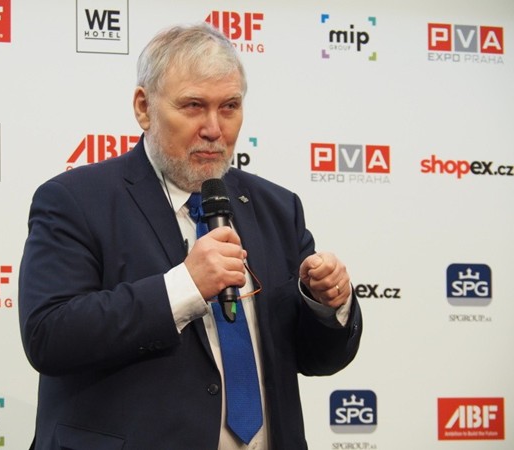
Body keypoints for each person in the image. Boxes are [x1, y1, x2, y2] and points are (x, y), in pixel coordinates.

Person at [18, 22, 362, 450]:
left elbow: (317, 358)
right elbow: (49, 336)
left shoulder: (278, 207)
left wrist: (326, 303)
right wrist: (185, 286)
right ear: (144, 107)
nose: (214, 129)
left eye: (229, 106)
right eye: (194, 106)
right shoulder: (76, 200)